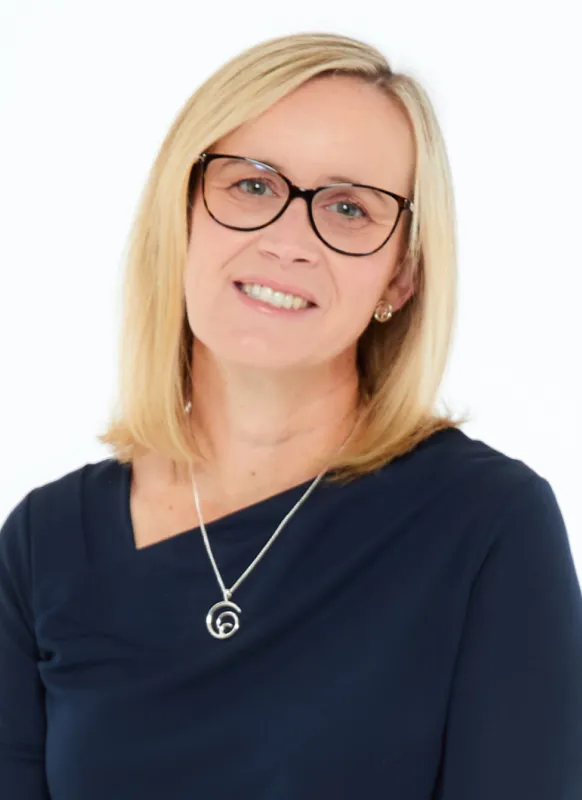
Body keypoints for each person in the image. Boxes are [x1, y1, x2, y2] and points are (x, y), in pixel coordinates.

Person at [1, 30, 581, 800]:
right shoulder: (45, 543)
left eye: (348, 208)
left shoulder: (486, 525)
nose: (287, 241)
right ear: (181, 215)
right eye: (251, 186)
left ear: (399, 278)